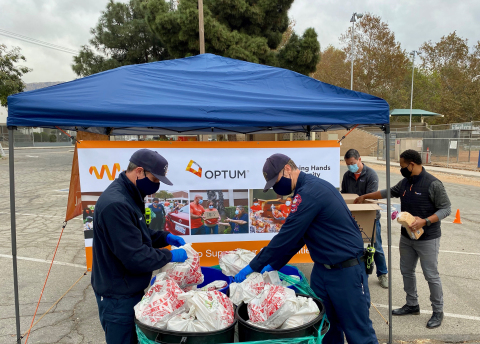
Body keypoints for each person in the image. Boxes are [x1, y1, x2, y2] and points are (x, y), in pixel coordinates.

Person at [234, 153, 377, 344]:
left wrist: (254, 266)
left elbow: (286, 236)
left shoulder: (311, 191)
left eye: (275, 182)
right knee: (326, 329)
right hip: (322, 270)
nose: (276, 188)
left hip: (346, 271)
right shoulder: (304, 191)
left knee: (358, 333)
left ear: (287, 169)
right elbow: (299, 237)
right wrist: (274, 264)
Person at [91, 149, 188, 344]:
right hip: (117, 295)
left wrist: (165, 237)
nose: (157, 185)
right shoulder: (116, 204)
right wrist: (170, 257)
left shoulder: (131, 195)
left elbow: (137, 235)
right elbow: (136, 256)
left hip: (128, 288)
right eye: (154, 179)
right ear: (139, 171)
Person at [355, 149, 451, 329]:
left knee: (431, 275)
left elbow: (446, 209)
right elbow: (388, 192)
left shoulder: (433, 184)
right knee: (406, 271)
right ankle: (412, 304)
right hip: (407, 237)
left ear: (412, 164)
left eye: (402, 166)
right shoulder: (406, 182)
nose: (401, 169)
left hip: (428, 238)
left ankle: (438, 311)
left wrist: (425, 221)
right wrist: (366, 196)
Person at [341, 148, 388, 289]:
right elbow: (345, 195)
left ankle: (382, 274)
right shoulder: (347, 175)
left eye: (353, 163)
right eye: (348, 164)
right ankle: (355, 274)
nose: (351, 166)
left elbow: (371, 197)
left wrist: (360, 200)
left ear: (360, 159)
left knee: (376, 246)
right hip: (352, 217)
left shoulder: (371, 175)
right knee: (353, 247)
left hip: (369, 217)